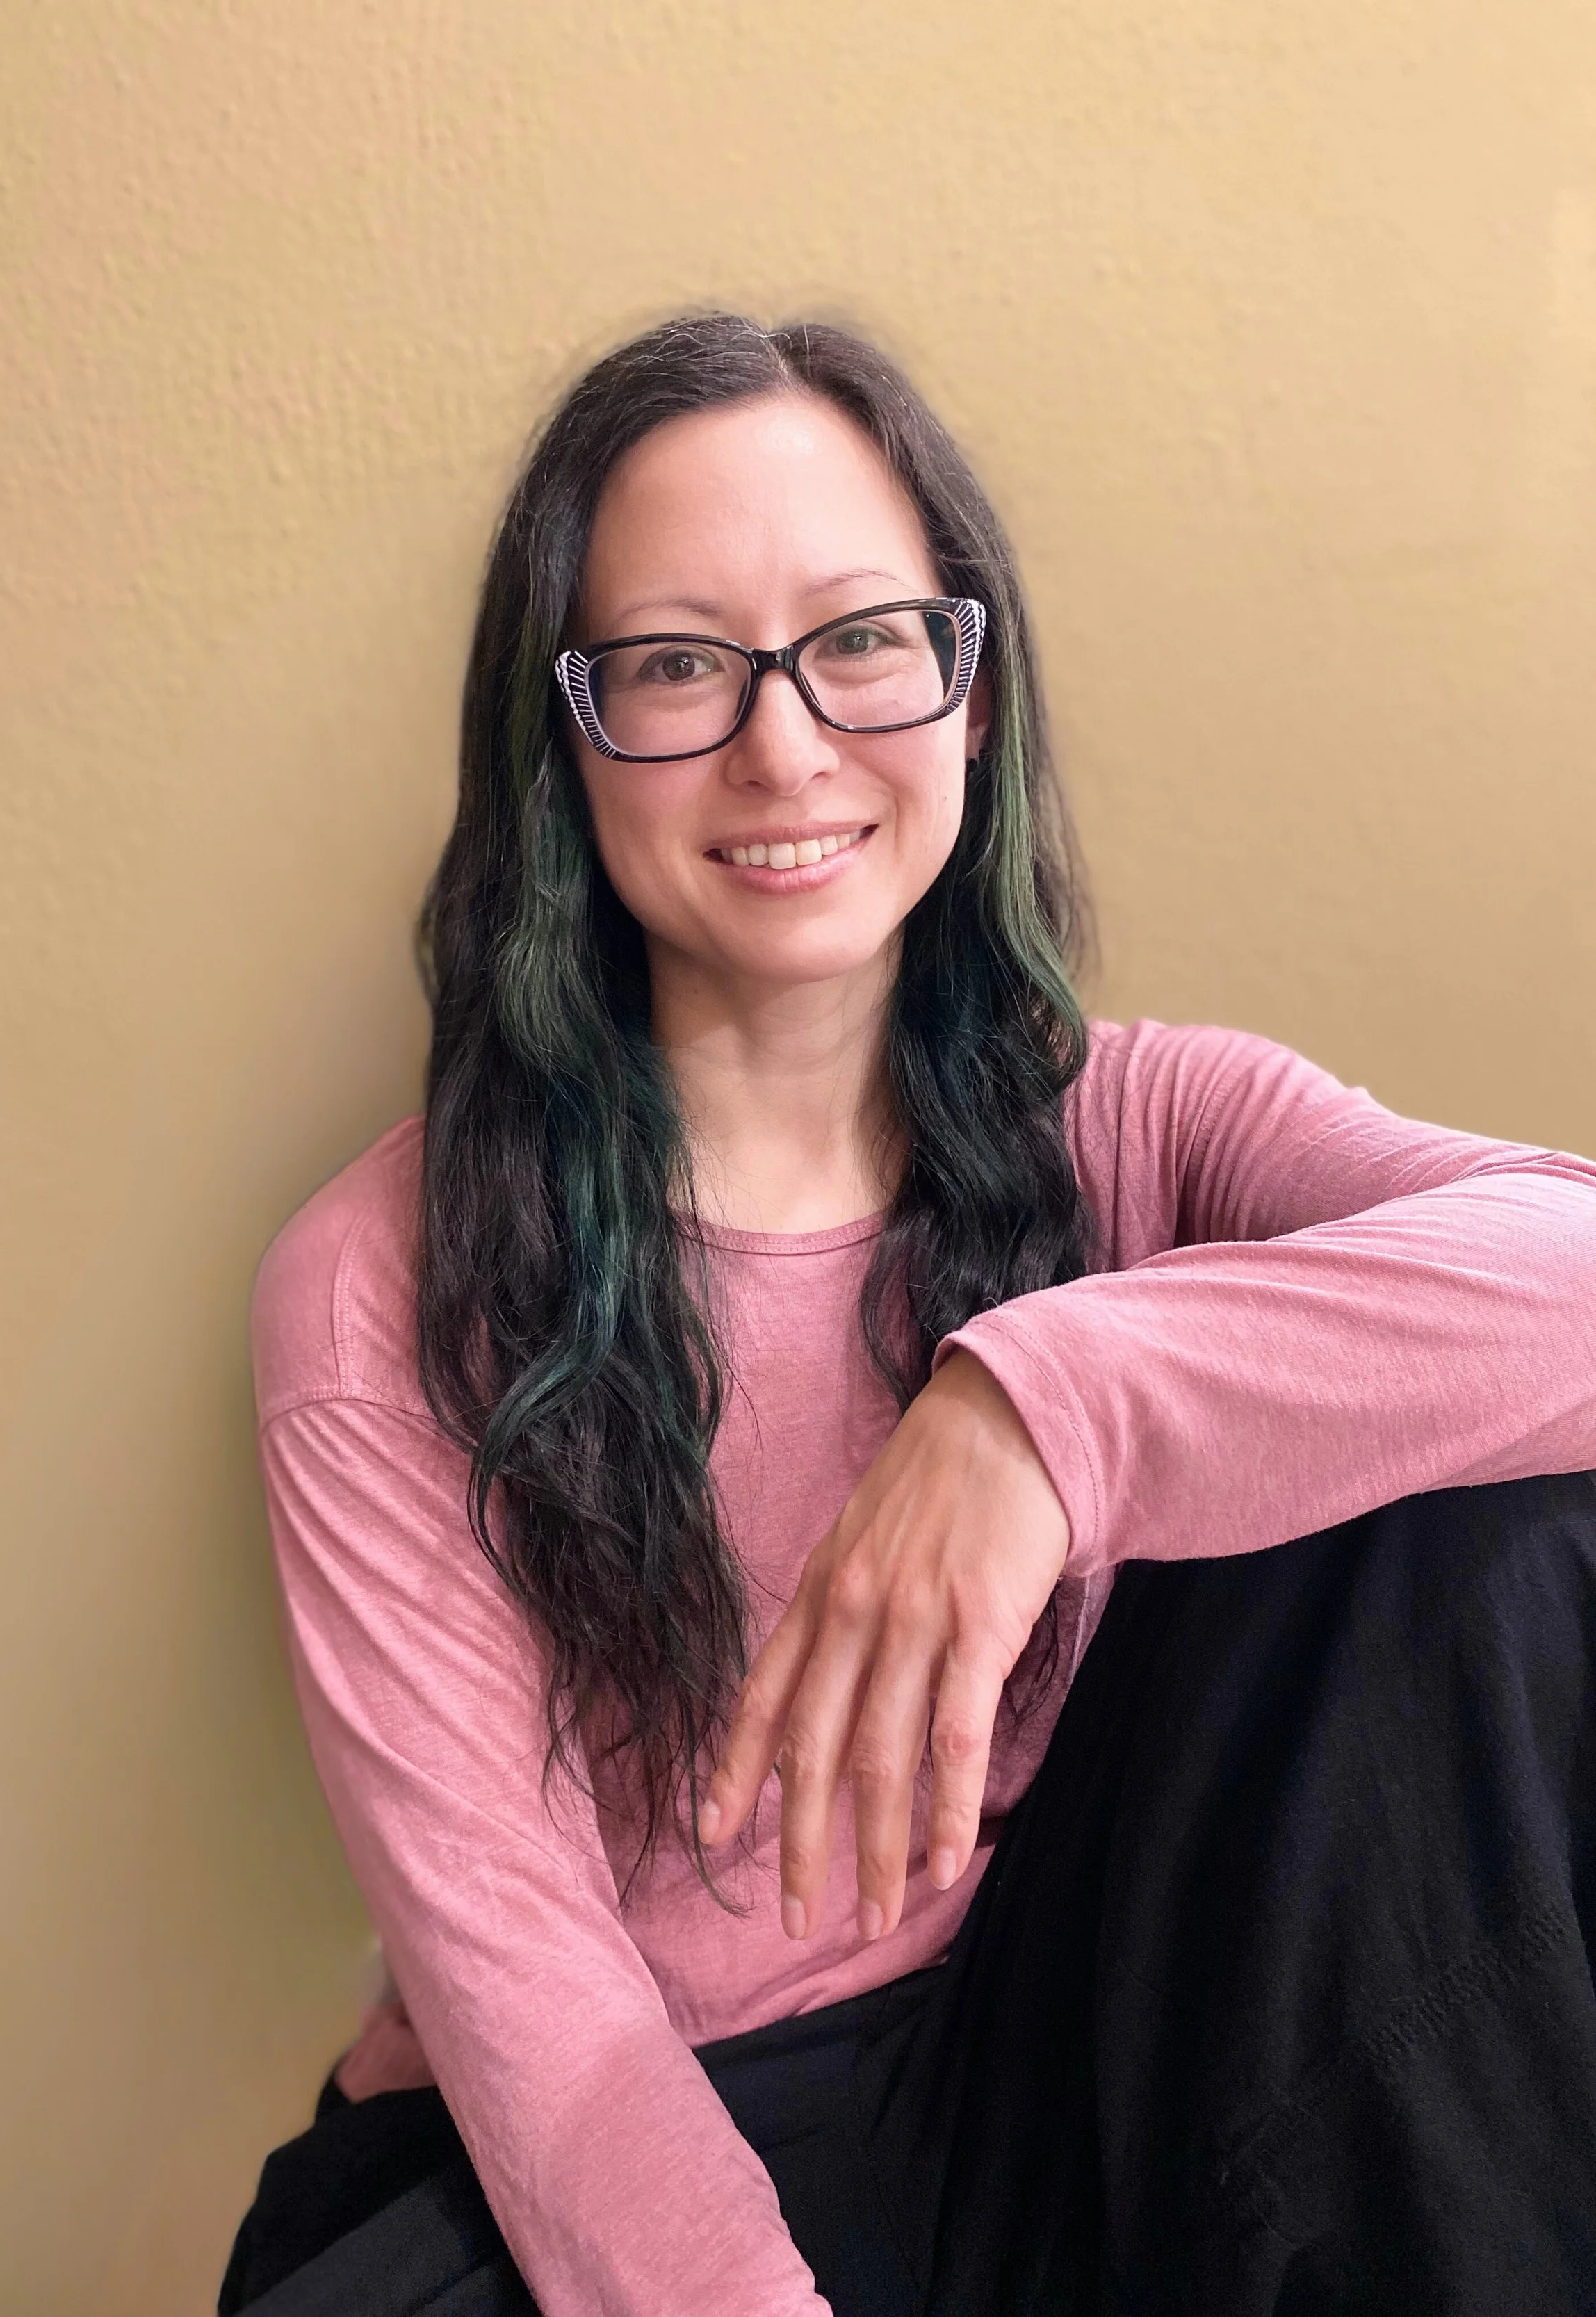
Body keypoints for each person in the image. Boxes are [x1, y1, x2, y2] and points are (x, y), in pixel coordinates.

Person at [220, 314, 1596, 2317]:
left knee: (1496, 1533)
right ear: (563, 736)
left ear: (969, 687)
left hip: (1071, 2051)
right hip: (604, 2135)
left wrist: (1049, 1403)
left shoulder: (1145, 1114)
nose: (785, 747)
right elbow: (547, 2033)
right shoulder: (378, 1280)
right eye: (679, 664)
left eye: (861, 638)